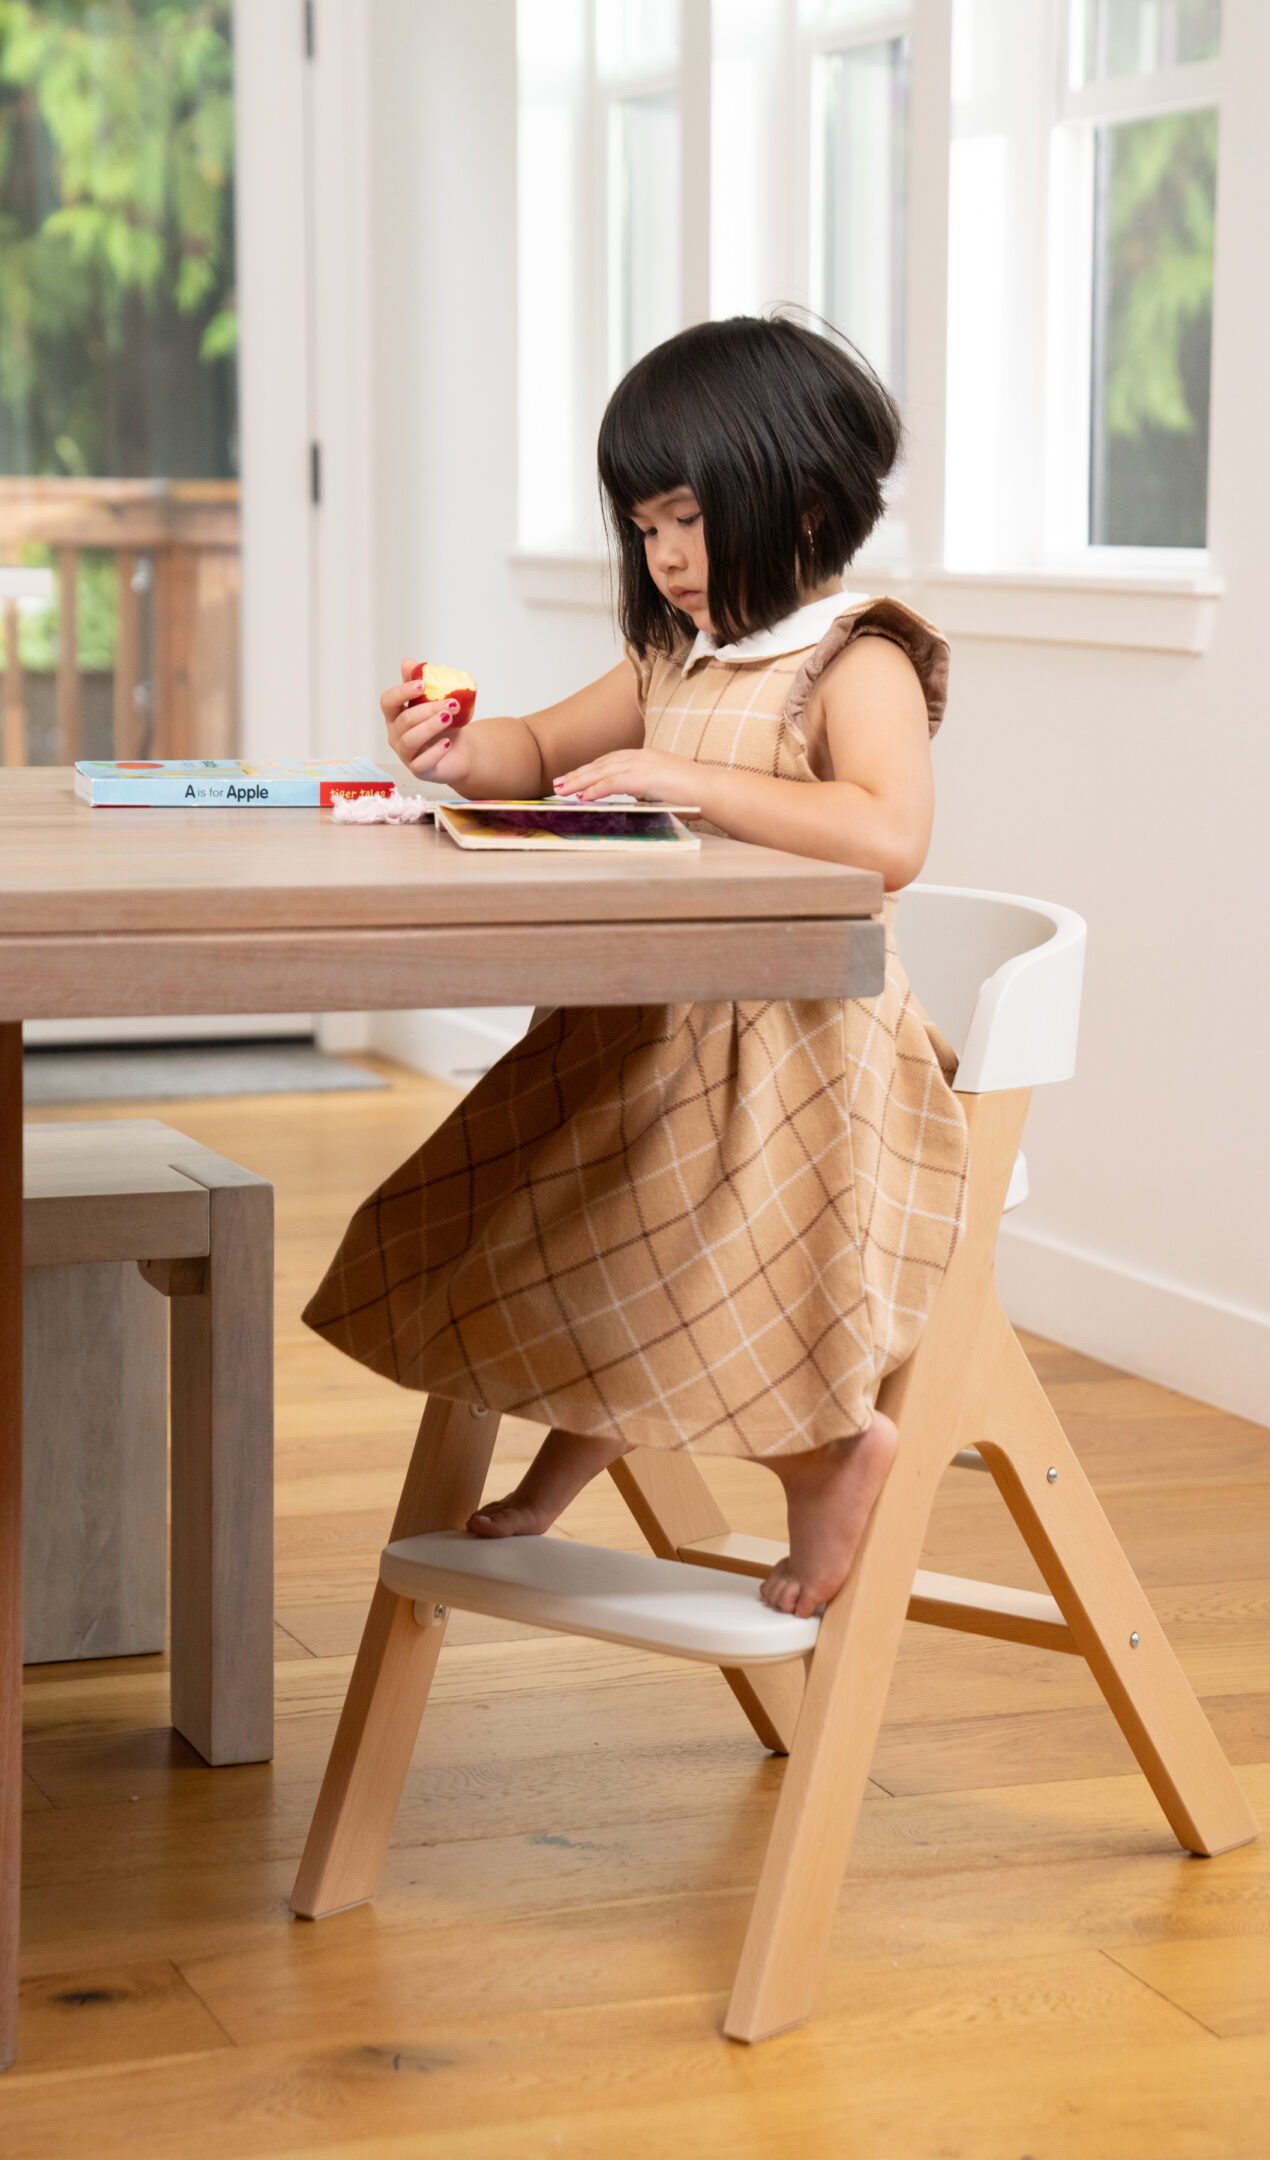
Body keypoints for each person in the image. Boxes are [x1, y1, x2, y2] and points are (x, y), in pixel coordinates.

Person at [303, 315, 969, 1619]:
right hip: (654, 1024)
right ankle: (574, 1457)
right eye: (644, 526)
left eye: (688, 521)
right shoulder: (675, 657)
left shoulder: (857, 658)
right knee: (523, 1211)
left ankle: (826, 1453)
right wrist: (451, 749)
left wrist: (686, 774)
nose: (663, 558)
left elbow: (890, 837)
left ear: (807, 500)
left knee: (653, 1220)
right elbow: (537, 751)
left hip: (801, 1052)